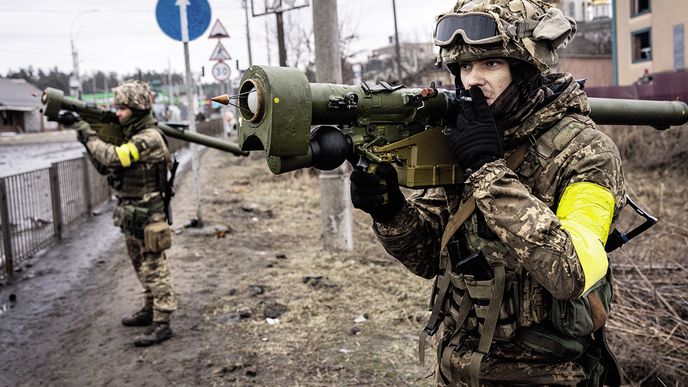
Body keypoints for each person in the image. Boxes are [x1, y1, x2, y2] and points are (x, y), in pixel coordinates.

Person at [350, 1, 626, 386]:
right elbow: (431, 256)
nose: (472, 80)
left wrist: (487, 172)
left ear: (528, 69)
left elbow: (574, 272)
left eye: (491, 64)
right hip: (457, 369)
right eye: (464, 66)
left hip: (544, 376)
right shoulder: (466, 136)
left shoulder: (587, 153)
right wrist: (391, 212)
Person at [76, 80, 177, 347]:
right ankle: (149, 308)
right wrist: (85, 141)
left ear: (138, 108)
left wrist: (89, 134)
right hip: (131, 212)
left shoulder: (149, 138)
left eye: (122, 108)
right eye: (116, 107)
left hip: (150, 214)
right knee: (139, 265)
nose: (117, 113)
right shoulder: (131, 135)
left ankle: (163, 322)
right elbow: (105, 167)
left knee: (155, 268)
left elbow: (115, 158)